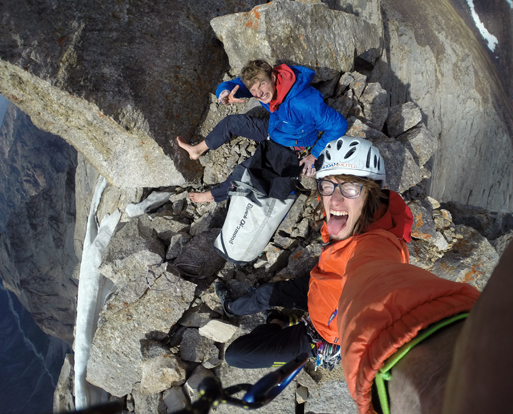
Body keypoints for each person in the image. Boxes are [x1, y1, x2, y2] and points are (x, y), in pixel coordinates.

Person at [215, 136, 483, 414]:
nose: (336, 198)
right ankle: (237, 309)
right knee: (260, 296)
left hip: (321, 334)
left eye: (351, 187)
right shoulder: (352, 219)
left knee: (237, 355)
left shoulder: (377, 245)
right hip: (320, 286)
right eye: (328, 185)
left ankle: (279, 322)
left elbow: (380, 284)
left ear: (371, 193)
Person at [177, 59, 348, 203]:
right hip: (275, 129)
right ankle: (197, 150)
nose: (258, 93)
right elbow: (234, 84)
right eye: (253, 90)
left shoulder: (302, 102)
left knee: (245, 171)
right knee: (232, 122)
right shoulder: (267, 86)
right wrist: (224, 92)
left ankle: (212, 196)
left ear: (273, 77)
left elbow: (339, 125)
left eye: (262, 85)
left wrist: (314, 155)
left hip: (291, 146)